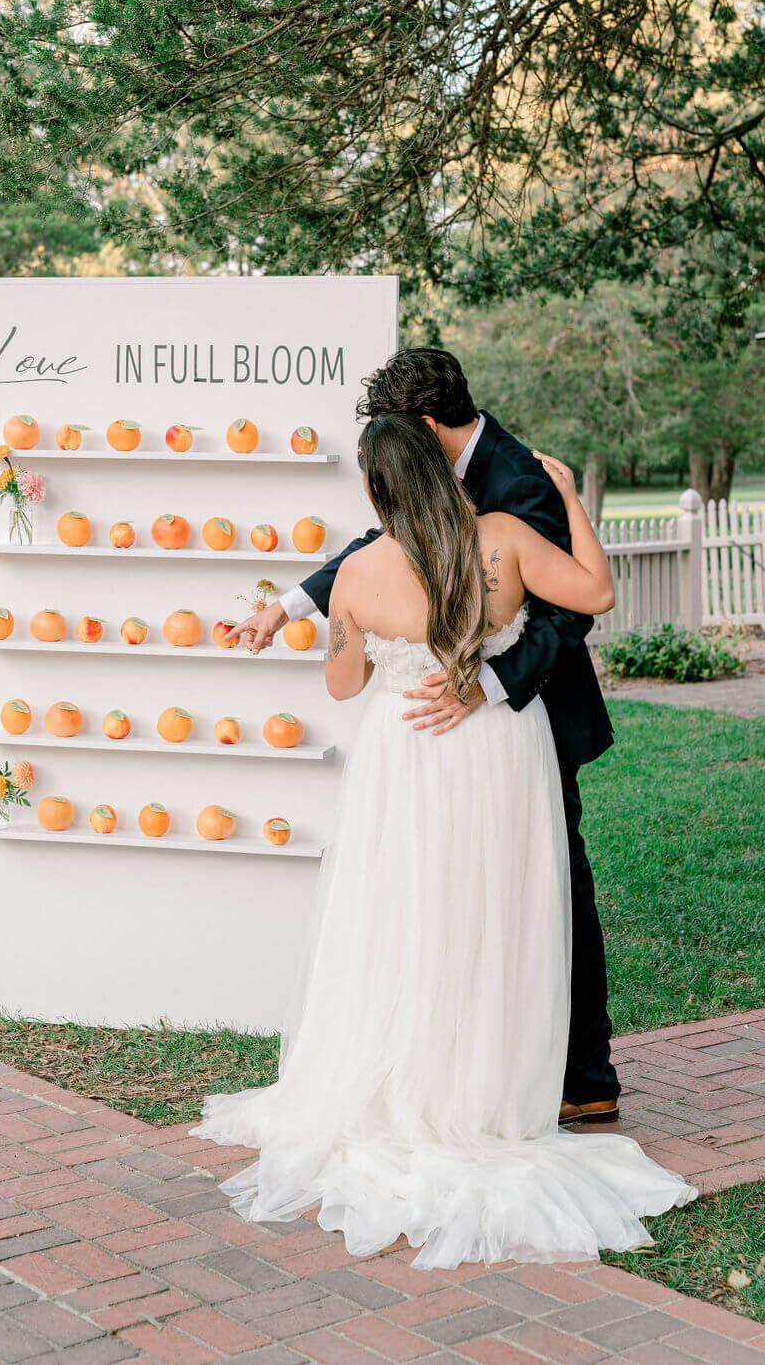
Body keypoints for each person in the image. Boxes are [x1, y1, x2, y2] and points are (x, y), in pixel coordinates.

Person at [191, 411, 695, 1268]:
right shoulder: (502, 538)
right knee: (501, 910)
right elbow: (597, 595)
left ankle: (417, 1076)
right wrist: (571, 497)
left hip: (405, 760)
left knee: (412, 911)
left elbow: (345, 686)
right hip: (501, 753)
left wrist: (340, 626)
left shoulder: (356, 572)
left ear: (376, 489)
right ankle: (496, 1091)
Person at [233, 349, 619, 1126]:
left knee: (542, 889)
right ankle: (485, 1066)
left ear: (429, 426)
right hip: (457, 726)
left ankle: (582, 1075)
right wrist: (286, 607)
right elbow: (381, 543)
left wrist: (488, 681)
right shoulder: (463, 502)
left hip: (516, 711)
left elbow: (569, 616)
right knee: (461, 892)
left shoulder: (518, 482)